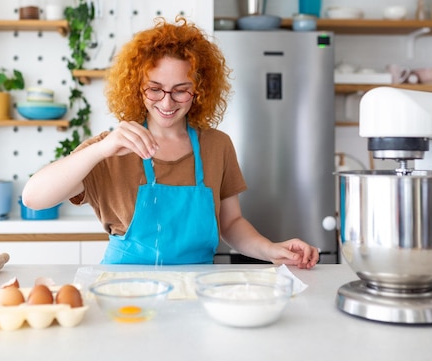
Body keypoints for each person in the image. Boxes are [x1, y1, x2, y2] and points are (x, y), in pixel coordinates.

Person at [22, 17, 319, 269]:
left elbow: (230, 223)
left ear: (199, 90)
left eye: (180, 90)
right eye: (155, 89)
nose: (167, 102)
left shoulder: (217, 145)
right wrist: (99, 150)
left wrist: (270, 250)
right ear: (137, 89)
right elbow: (33, 198)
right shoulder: (110, 148)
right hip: (123, 293)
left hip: (197, 290)